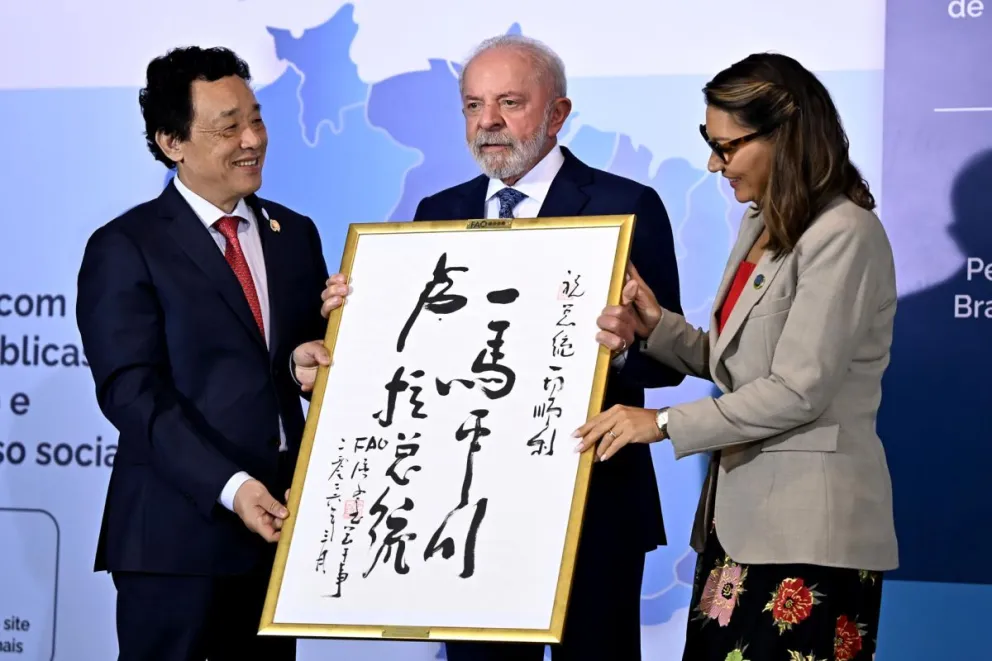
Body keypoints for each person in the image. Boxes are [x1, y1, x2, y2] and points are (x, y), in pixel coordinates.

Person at [575, 52, 899, 661]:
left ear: (787, 137)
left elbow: (798, 389)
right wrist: (655, 328)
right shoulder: (762, 224)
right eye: (710, 144)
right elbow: (738, 363)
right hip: (740, 528)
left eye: (727, 147)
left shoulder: (844, 234)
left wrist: (663, 424)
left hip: (808, 539)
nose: (714, 163)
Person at [410, 34, 683, 661]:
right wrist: (360, 314)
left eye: (510, 103)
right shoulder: (435, 213)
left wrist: (619, 350)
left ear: (557, 113)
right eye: (473, 106)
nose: (489, 124)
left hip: (594, 504)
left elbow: (669, 362)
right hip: (469, 506)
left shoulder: (626, 206)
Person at [75, 46, 348, 661]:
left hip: (277, 530)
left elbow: (294, 362)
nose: (252, 139)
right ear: (172, 141)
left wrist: (307, 368)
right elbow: (131, 392)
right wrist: (232, 486)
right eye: (228, 127)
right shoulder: (126, 246)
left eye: (257, 119)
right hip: (176, 542)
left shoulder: (294, 233)